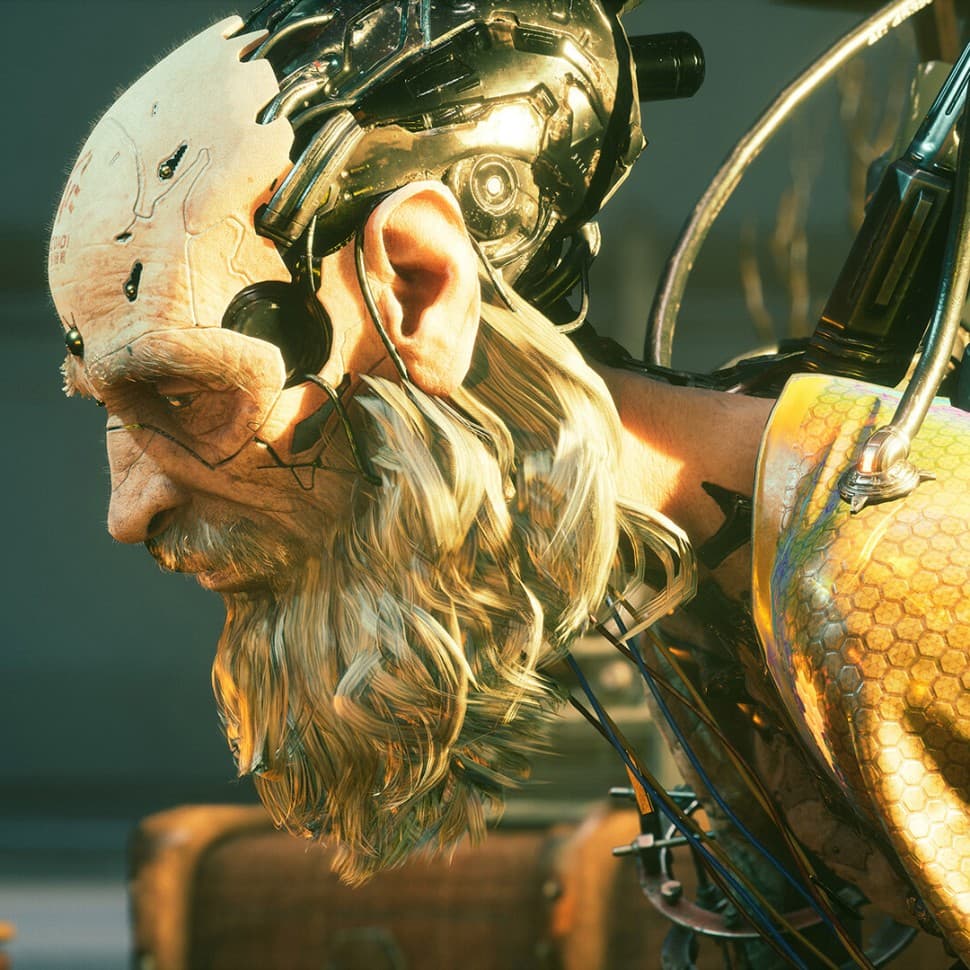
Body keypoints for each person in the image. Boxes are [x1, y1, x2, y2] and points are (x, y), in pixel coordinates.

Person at [47, 0, 970, 965]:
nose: (128, 512)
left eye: (185, 392)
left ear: (418, 285)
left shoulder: (895, 579)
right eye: (112, 408)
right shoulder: (704, 570)